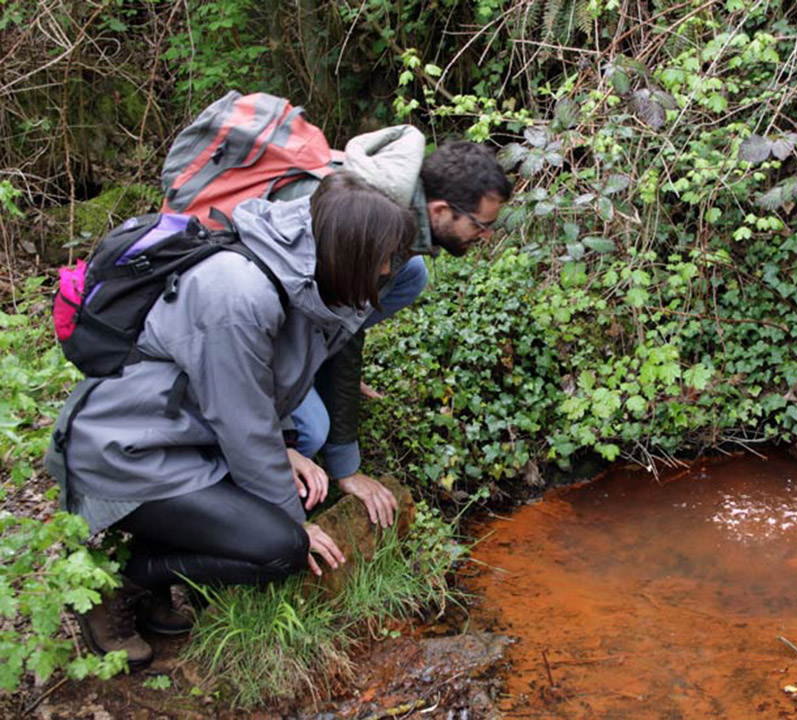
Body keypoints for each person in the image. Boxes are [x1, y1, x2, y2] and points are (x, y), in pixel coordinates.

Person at [45, 171, 413, 667]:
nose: (389, 269)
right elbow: (243, 427)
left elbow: (262, 391)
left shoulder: (303, 274)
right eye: (382, 259)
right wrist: (293, 525)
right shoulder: (239, 294)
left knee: (290, 503)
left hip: (185, 442)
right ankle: (123, 583)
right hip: (127, 455)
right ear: (347, 252)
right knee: (280, 548)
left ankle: (159, 582)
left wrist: (287, 448)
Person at [278, 130, 513, 486]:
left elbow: (347, 318)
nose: (486, 237)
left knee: (412, 275)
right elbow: (347, 319)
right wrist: (346, 467)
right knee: (310, 432)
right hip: (250, 327)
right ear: (441, 210)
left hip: (300, 305)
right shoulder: (374, 222)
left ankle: (313, 363)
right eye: (481, 225)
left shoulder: (406, 209)